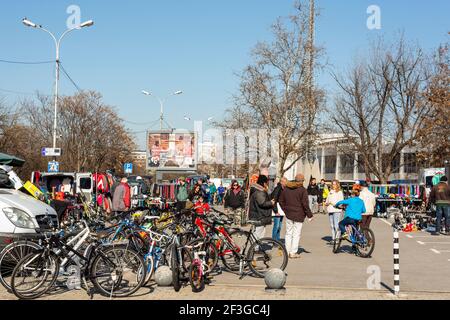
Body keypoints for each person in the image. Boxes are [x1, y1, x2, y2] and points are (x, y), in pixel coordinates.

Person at [279, 173, 313, 259]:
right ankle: (293, 252)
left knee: (288, 233)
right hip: (299, 214)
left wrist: (285, 210)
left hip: (289, 214)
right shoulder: (302, 190)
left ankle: (286, 251)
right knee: (296, 234)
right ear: (302, 181)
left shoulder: (286, 188)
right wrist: (309, 215)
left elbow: (281, 201)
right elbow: (305, 204)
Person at [248, 175, 274, 241]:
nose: (267, 184)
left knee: (259, 233)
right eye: (267, 182)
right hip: (259, 216)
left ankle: (255, 248)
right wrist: (271, 203)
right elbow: (262, 203)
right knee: (258, 233)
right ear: (264, 183)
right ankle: (254, 249)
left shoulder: (258, 190)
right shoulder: (259, 191)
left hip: (259, 215)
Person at [325, 180, 344, 244]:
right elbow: (327, 200)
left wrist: (334, 204)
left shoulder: (340, 192)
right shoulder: (330, 192)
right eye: (333, 184)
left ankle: (337, 238)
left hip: (337, 210)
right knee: (332, 225)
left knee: (336, 225)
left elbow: (341, 202)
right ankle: (333, 238)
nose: (333, 185)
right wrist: (327, 203)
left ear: (337, 185)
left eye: (335, 184)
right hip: (330, 209)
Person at [271, 177, 288, 241]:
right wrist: (276, 211)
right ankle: (274, 240)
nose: (286, 183)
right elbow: (274, 200)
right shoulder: (278, 188)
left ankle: (277, 240)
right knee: (276, 226)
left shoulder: (284, 188)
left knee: (279, 226)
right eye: (285, 182)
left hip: (281, 210)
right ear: (282, 182)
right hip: (277, 210)